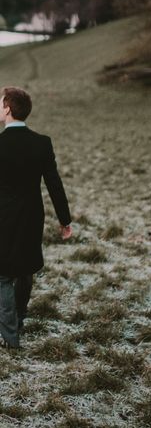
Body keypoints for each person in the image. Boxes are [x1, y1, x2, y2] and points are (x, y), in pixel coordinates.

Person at [0, 86, 72, 349]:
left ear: (8, 108)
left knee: (3, 274)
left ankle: (10, 335)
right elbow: (55, 184)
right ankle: (18, 319)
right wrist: (65, 220)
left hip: (3, 217)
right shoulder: (42, 143)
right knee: (25, 268)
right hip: (32, 215)